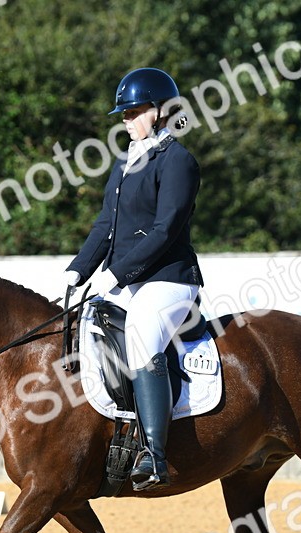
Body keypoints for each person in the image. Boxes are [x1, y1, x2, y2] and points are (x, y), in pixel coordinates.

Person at [66, 67, 203, 491]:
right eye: (123, 115)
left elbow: (166, 231)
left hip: (169, 279)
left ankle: (154, 456)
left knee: (142, 336)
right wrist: (79, 268)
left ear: (162, 113)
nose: (125, 121)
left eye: (134, 112)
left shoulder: (178, 161)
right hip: (126, 280)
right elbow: (104, 224)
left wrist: (116, 274)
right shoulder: (125, 162)